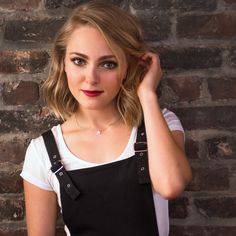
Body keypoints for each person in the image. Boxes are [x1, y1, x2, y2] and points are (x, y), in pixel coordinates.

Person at [20, 1, 192, 236]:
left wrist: (147, 94)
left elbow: (171, 186)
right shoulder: (42, 152)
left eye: (108, 64)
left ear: (128, 67)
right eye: (79, 61)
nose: (91, 78)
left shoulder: (159, 123)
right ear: (63, 64)